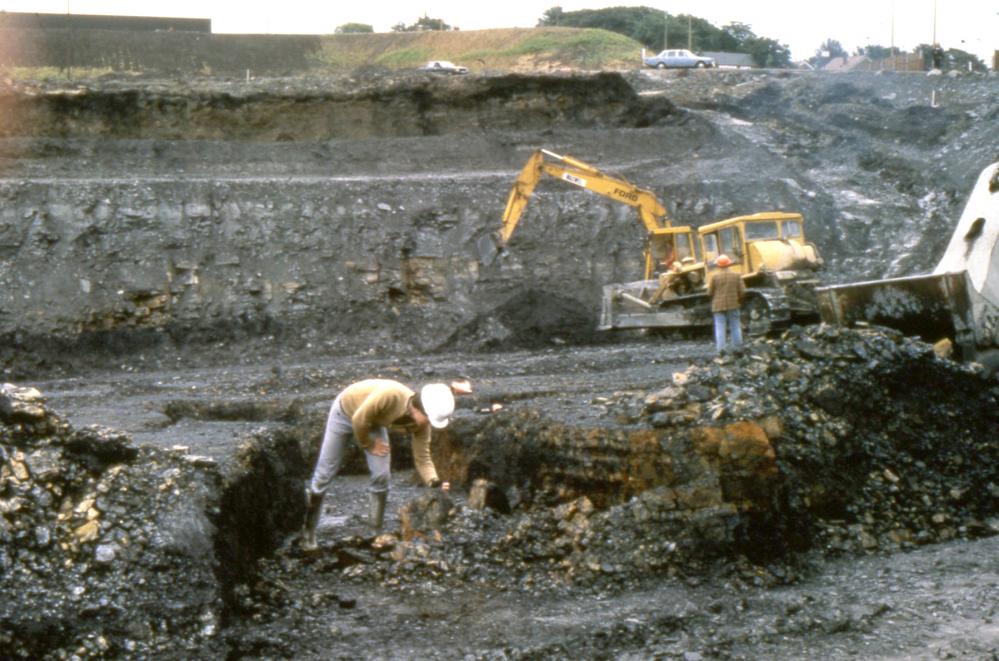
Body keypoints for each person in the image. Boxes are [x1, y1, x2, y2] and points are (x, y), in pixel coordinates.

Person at [301, 378, 457, 550]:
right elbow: (359, 419)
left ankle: (375, 533)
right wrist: (368, 444)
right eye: (429, 419)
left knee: (382, 475)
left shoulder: (422, 424)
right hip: (345, 413)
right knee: (324, 474)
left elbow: (423, 457)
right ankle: (308, 533)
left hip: (374, 422)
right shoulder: (390, 395)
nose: (429, 424)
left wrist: (434, 482)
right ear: (419, 408)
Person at [707, 254, 745, 354]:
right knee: (735, 326)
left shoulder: (714, 277)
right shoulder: (736, 276)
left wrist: (715, 299)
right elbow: (742, 291)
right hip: (733, 305)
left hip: (718, 306)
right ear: (729, 264)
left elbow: (709, 292)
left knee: (719, 327)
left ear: (718, 265)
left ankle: (721, 351)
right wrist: (738, 300)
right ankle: (737, 348)